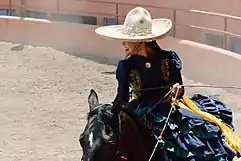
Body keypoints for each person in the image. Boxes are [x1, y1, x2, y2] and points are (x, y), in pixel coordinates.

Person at [95, 6, 239, 161]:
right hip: (140, 112)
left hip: (168, 109)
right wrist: (111, 112)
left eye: (126, 40)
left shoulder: (168, 59)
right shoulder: (126, 66)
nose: (123, 44)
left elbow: (179, 86)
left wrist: (177, 89)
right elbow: (123, 97)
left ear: (139, 42)